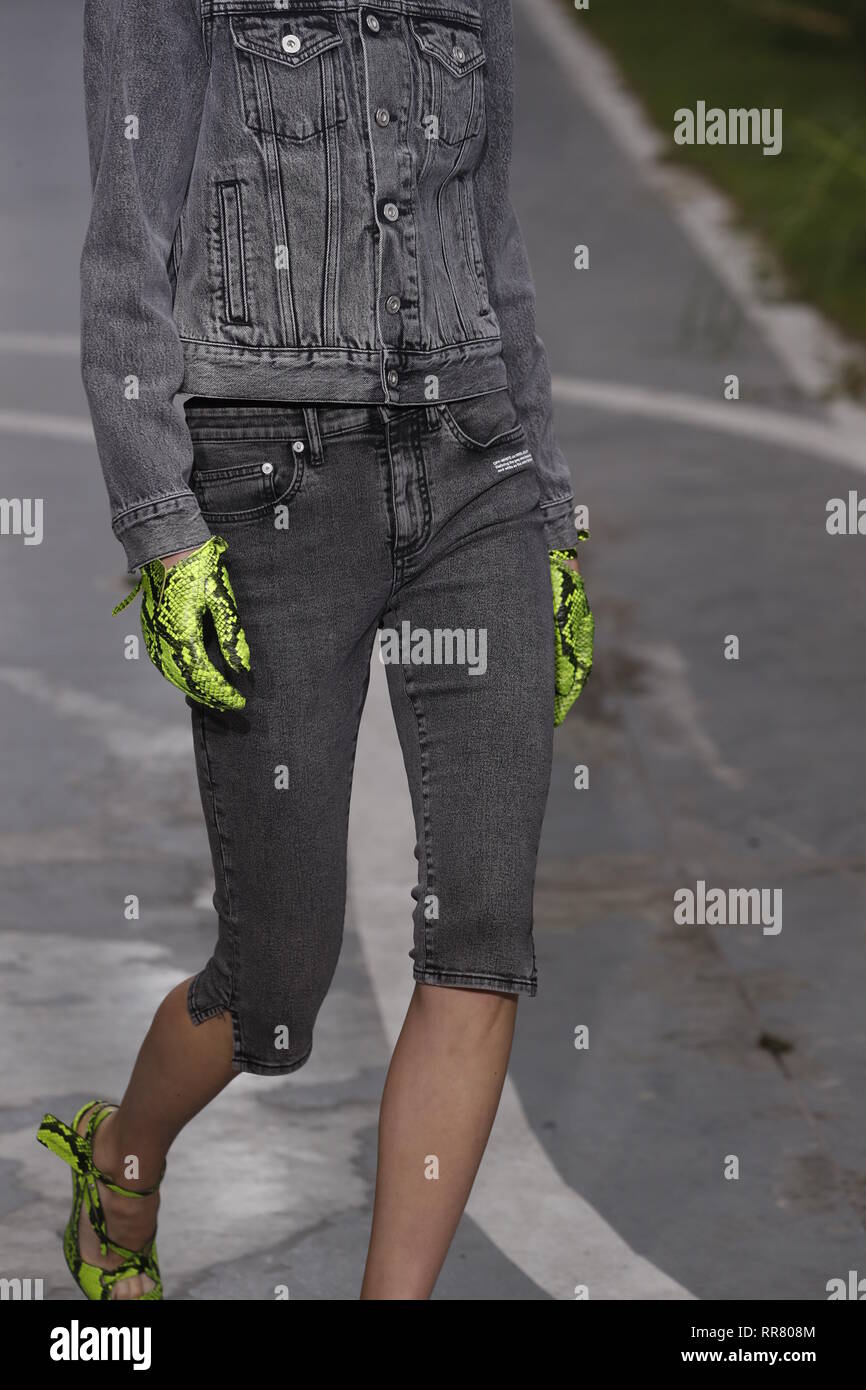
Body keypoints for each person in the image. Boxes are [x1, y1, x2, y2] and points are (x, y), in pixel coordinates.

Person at [35, 0, 593, 1300]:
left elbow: (492, 239)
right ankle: (121, 1157)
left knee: (480, 938)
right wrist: (161, 523)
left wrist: (552, 508)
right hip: (268, 477)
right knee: (275, 986)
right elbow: (127, 243)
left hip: (476, 466)